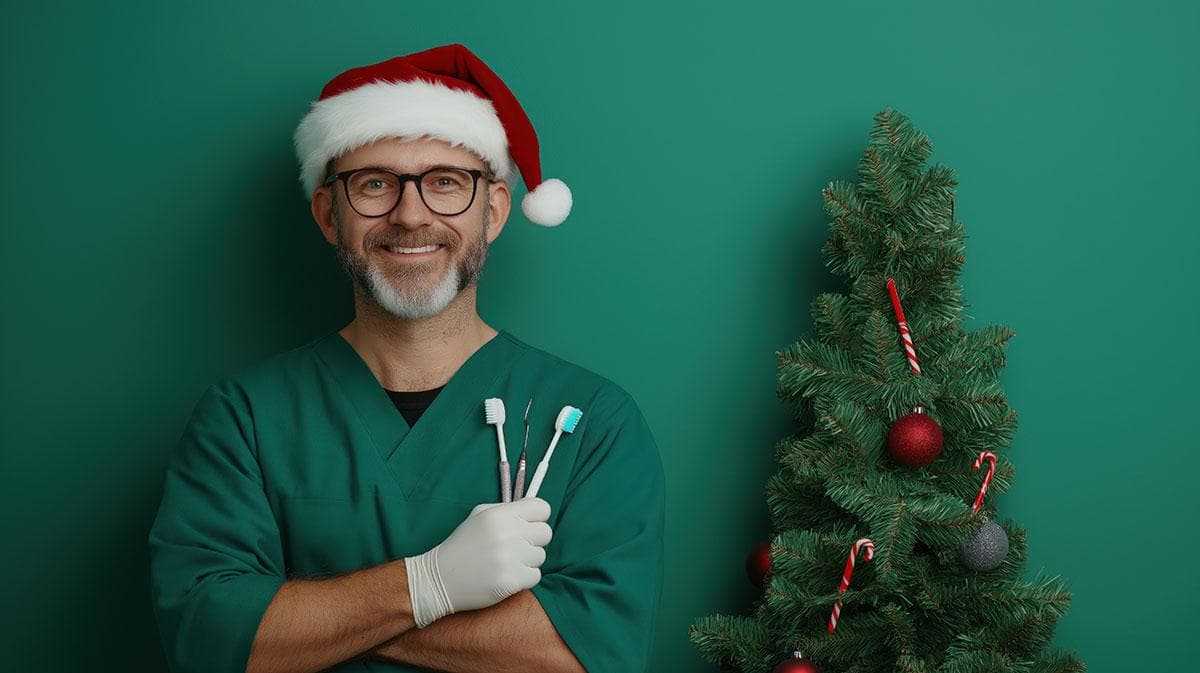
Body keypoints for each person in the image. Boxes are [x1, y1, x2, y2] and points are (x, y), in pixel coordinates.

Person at [147, 44, 666, 673]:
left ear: (494, 211)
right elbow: (207, 638)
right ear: (328, 215)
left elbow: (584, 656)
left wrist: (310, 609)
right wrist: (429, 583)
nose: (410, 214)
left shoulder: (592, 421)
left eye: (446, 182)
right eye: (374, 184)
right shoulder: (245, 417)